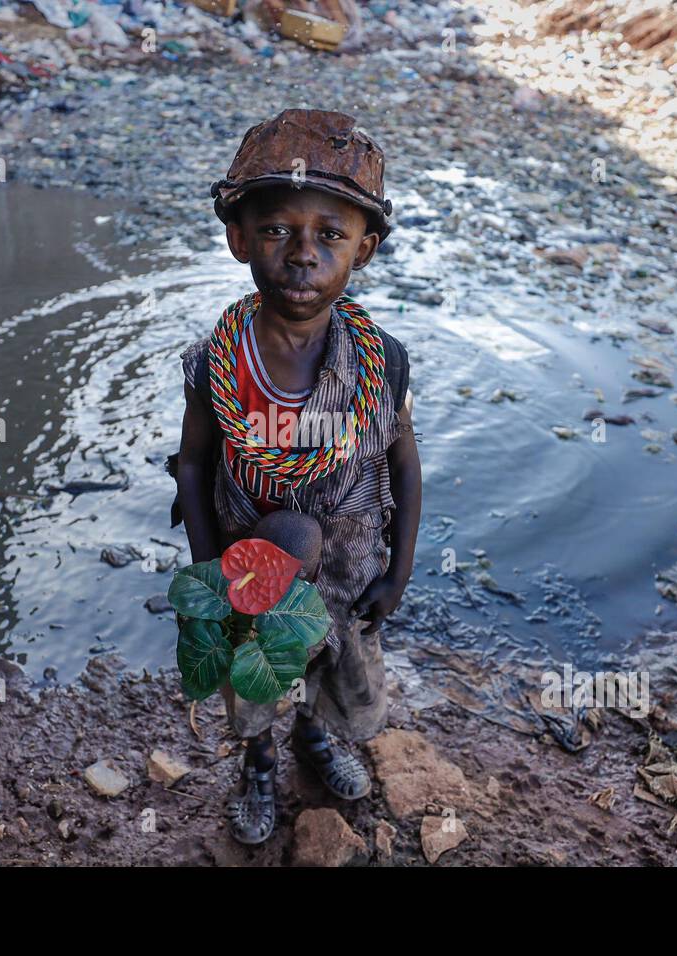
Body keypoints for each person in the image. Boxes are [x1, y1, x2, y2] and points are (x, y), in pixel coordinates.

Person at [172, 108, 422, 844]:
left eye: (331, 236)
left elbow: (406, 469)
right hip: (253, 572)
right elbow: (191, 462)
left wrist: (398, 574)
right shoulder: (214, 360)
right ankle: (255, 760)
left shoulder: (383, 362)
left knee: (336, 667)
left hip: (348, 571)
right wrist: (210, 573)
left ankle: (314, 737)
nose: (303, 255)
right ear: (239, 239)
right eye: (278, 230)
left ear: (364, 249)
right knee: (255, 675)